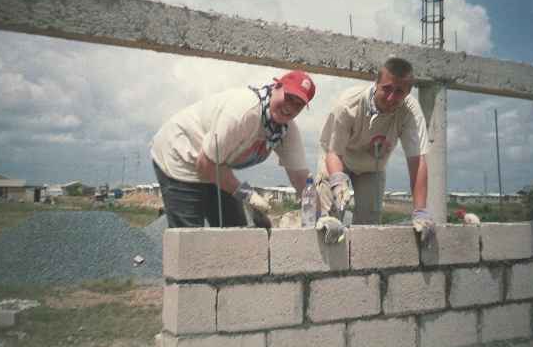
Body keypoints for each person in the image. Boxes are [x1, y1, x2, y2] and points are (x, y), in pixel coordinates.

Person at [150, 70, 315, 228]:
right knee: (190, 240)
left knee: (236, 232)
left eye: (298, 104)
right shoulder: (245, 112)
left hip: (216, 165)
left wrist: (320, 217)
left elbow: (301, 179)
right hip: (180, 155)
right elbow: (205, 166)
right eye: (289, 97)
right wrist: (247, 196)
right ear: (276, 87)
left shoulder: (285, 130)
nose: (291, 107)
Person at [315, 57, 433, 242]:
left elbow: (417, 162)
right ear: (376, 83)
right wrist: (338, 182)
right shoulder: (348, 104)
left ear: (408, 93)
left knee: (369, 227)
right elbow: (333, 153)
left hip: (372, 168)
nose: (391, 97)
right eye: (386, 88)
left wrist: (420, 211)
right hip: (338, 160)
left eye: (399, 92)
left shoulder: (410, 112)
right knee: (330, 220)